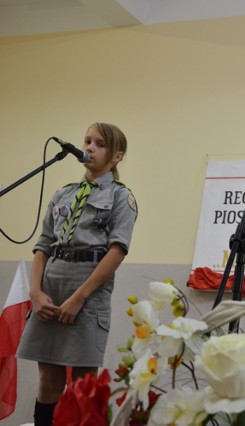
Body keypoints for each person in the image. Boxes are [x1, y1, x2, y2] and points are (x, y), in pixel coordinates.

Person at [17, 122, 137, 426]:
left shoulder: (121, 197)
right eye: (87, 141)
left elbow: (117, 251)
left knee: (85, 385)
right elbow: (43, 245)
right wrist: (35, 292)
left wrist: (78, 299)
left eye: (100, 144)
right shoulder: (63, 194)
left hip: (87, 293)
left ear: (117, 156)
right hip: (51, 288)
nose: (89, 148)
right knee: (48, 380)